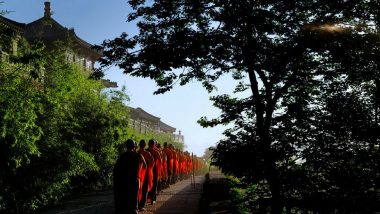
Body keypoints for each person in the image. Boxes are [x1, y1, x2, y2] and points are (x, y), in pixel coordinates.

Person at [113, 139, 143, 214]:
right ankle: (134, 209)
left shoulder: (123, 156)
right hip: (134, 180)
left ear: (126, 146)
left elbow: (116, 170)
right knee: (134, 195)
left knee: (125, 196)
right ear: (134, 146)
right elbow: (142, 165)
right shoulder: (137, 155)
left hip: (124, 181)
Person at [137, 140, 155, 211]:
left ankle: (137, 204)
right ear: (145, 145)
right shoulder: (147, 154)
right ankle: (142, 205)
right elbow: (152, 164)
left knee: (138, 189)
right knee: (144, 190)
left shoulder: (137, 153)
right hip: (146, 174)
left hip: (137, 174)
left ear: (139, 145)